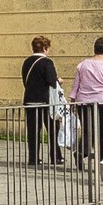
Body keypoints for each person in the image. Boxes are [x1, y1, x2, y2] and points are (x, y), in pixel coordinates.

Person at [71, 36, 103, 179]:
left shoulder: (82, 65)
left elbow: (76, 85)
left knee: (87, 130)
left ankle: (81, 150)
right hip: (102, 102)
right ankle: (102, 159)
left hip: (84, 102)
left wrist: (73, 101)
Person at [21, 36, 64, 166]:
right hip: (46, 102)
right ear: (45, 48)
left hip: (29, 100)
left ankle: (33, 158)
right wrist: (59, 81)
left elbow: (25, 80)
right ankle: (56, 156)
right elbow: (51, 81)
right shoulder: (47, 62)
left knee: (33, 131)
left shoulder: (27, 62)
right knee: (52, 129)